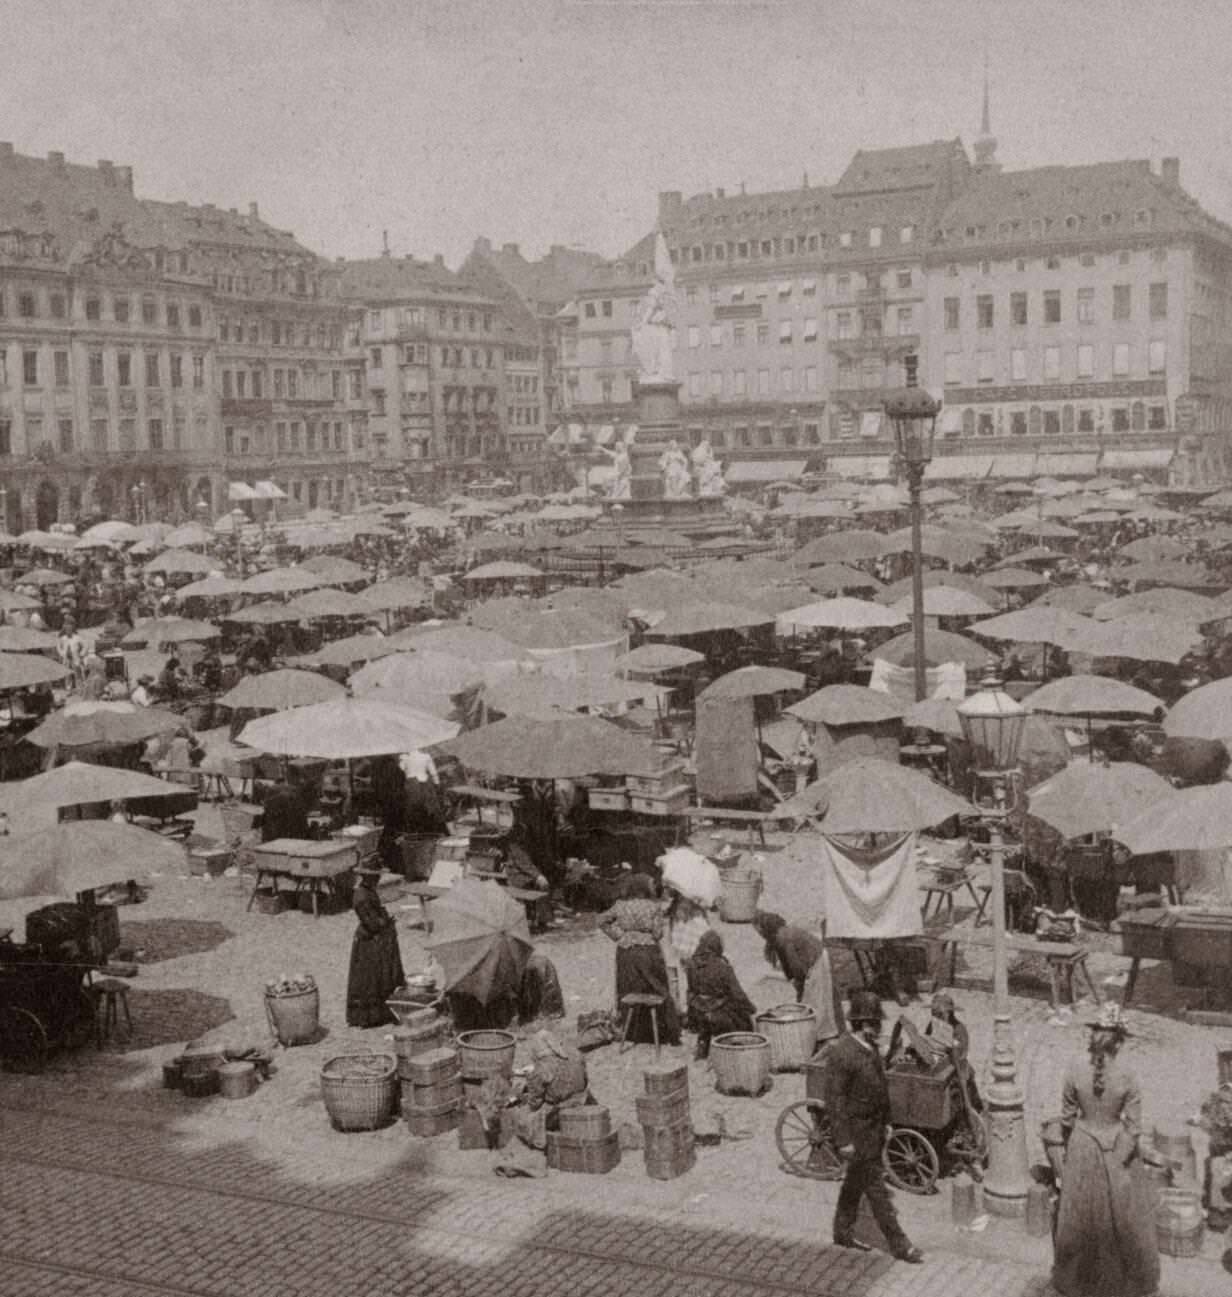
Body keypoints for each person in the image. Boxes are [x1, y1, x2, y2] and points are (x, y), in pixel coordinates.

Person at [1051, 1004, 1161, 1297]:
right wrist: (1120, 1159)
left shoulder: (1074, 1068)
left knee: (1079, 1216)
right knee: (1121, 1218)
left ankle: (1076, 1280)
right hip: (1116, 1146)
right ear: (1119, 1041)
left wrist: (1070, 1147)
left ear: (1093, 1036)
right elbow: (1134, 1127)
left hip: (1082, 1144)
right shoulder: (1128, 1075)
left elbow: (1066, 1118)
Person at [824, 989, 924, 1265]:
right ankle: (901, 1244)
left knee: (854, 1183)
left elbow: (881, 1088)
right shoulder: (843, 1054)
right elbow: (834, 1101)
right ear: (863, 1024)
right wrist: (843, 1140)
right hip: (856, 1134)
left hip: (873, 1129)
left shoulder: (869, 1049)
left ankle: (842, 1231)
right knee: (877, 1191)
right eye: (875, 1023)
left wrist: (888, 1122)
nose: (879, 1028)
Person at [596, 874, 681, 1046]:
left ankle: (632, 1031)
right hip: (648, 952)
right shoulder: (653, 906)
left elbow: (601, 920)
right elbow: (657, 934)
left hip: (626, 952)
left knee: (628, 988)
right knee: (656, 987)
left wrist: (619, 935)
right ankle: (661, 1030)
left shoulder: (620, 905)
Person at [752, 910, 844, 1047]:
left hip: (818, 962)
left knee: (819, 1002)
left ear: (766, 928)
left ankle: (824, 1036)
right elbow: (788, 966)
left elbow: (796, 967)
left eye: (759, 931)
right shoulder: (780, 934)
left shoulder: (784, 938)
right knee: (815, 1001)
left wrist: (799, 984)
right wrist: (794, 981)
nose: (759, 934)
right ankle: (822, 1035)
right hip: (813, 961)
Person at [345, 862, 405, 1028]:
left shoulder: (368, 891)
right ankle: (368, 1016)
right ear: (368, 876)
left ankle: (382, 1011)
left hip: (373, 939)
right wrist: (385, 921)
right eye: (376, 876)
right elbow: (372, 923)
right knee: (369, 980)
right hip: (368, 943)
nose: (378, 878)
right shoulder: (361, 896)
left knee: (377, 978)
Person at [514, 1028, 591, 1150]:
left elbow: (535, 1103)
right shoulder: (575, 1054)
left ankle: (541, 1142)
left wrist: (526, 1092)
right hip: (583, 1099)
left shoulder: (540, 1069)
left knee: (522, 1117)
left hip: (560, 1109)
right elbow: (586, 1080)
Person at [685, 930, 756, 1060]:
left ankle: (702, 1045)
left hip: (697, 1013)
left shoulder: (691, 964)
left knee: (707, 1009)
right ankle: (734, 1049)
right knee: (743, 1017)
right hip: (719, 1014)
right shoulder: (723, 967)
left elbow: (691, 990)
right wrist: (751, 1009)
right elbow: (738, 994)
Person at [924, 992, 982, 1114]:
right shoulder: (932, 1025)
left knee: (959, 1092)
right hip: (938, 1065)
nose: (935, 1017)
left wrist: (948, 1047)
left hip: (956, 1068)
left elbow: (961, 1055)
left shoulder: (959, 1029)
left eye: (939, 1014)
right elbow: (927, 1041)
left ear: (948, 1013)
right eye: (933, 1014)